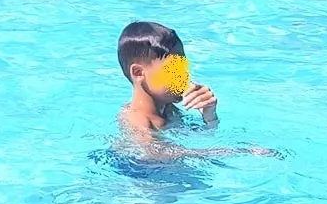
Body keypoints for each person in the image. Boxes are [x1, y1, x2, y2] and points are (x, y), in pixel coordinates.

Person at [114, 21, 273, 162]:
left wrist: (209, 116)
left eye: (183, 68)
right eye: (172, 70)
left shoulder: (169, 110)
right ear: (138, 73)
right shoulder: (135, 118)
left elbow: (202, 138)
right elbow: (154, 154)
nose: (183, 76)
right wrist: (235, 152)